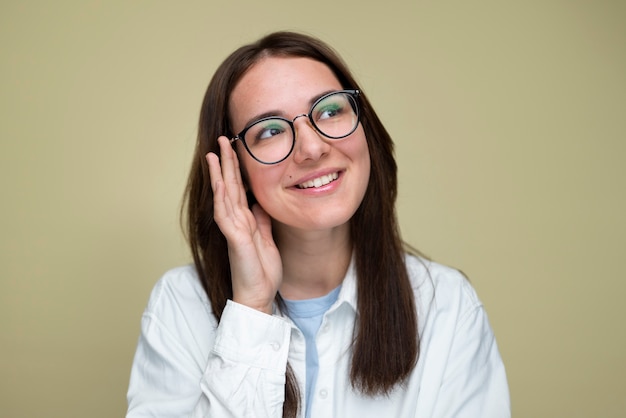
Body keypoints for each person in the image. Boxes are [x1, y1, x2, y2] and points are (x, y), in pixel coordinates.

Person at [126, 31, 510, 418]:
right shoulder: (180, 305)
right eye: (271, 131)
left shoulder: (447, 306)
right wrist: (252, 311)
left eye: (329, 110)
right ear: (235, 170)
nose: (312, 148)